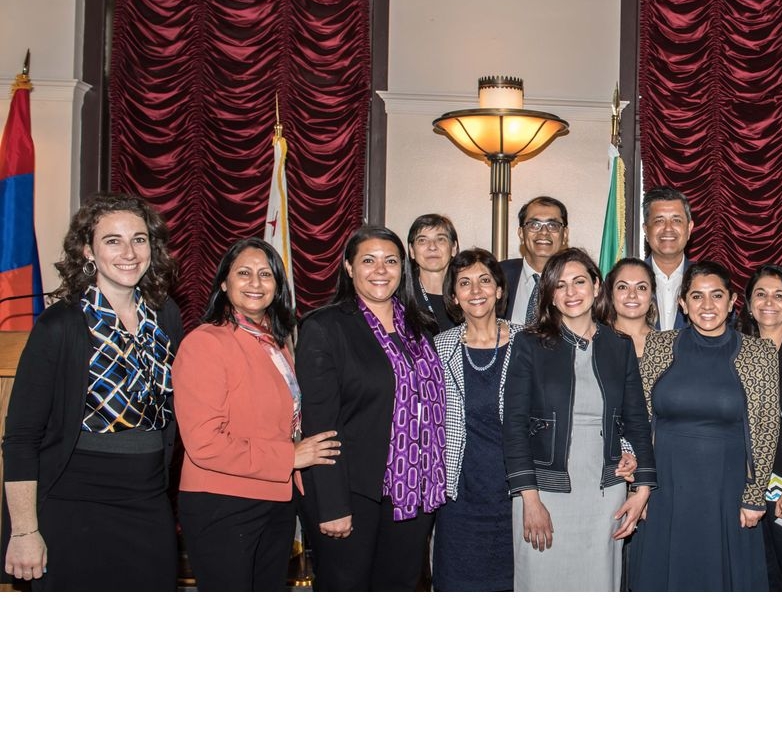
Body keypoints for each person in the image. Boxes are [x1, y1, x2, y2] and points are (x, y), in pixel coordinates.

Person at [2, 192, 185, 591]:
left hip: (149, 503)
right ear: (87, 250)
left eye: (139, 239)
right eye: (112, 240)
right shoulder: (60, 325)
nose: (129, 252)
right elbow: (20, 439)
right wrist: (23, 532)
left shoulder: (166, 315)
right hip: (74, 506)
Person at [172, 238, 341, 591]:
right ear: (224, 283)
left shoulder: (275, 342)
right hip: (223, 505)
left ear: (278, 286)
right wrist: (291, 456)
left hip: (274, 500)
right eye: (244, 273)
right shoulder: (206, 342)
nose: (255, 283)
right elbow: (204, 443)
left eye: (266, 274)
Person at [295, 225, 448, 591]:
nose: (381, 269)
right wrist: (332, 505)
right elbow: (320, 424)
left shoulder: (420, 329)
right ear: (349, 267)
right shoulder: (326, 327)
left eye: (390, 261)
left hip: (414, 493)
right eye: (368, 260)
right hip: (353, 493)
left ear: (402, 269)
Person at [503, 247, 656, 591]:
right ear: (550, 296)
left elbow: (636, 421)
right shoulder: (529, 344)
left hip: (606, 489)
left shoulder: (619, 346)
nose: (571, 292)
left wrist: (643, 488)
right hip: (544, 490)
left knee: (598, 584)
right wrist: (529, 498)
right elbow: (513, 426)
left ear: (597, 286)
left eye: (579, 282)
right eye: (560, 285)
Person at [631, 261, 778, 591]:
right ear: (683, 304)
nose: (707, 305)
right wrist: (639, 488)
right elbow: (640, 419)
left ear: (732, 301)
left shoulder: (760, 352)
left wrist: (754, 498)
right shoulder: (659, 346)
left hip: (726, 491)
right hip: (664, 487)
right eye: (696, 296)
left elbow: (765, 428)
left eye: (716, 296)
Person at [431, 247, 521, 591]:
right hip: (459, 500)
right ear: (454, 296)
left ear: (499, 289)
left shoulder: (529, 341)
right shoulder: (439, 348)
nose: (476, 290)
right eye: (464, 283)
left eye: (485, 280)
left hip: (517, 497)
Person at [738, 264, 782, 592]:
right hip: (742, 485)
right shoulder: (734, 349)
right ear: (749, 304)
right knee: (752, 574)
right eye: (761, 294)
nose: (769, 302)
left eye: (779, 295)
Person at [500, 196, 569, 324]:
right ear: (521, 233)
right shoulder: (498, 274)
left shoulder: (578, 282)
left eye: (553, 225)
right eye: (534, 224)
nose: (543, 232)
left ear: (564, 234)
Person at [642, 186, 693, 331]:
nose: (668, 228)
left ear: (689, 229)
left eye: (676, 220)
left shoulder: (709, 281)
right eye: (659, 221)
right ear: (646, 230)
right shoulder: (626, 282)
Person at [596, 257, 658, 359]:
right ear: (611, 294)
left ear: (652, 295)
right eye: (622, 287)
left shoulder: (670, 345)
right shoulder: (595, 342)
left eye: (641, 287)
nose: (632, 295)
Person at [408, 213, 460, 332]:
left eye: (440, 239)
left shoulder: (469, 293)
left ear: (453, 248)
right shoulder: (401, 297)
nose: (432, 247)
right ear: (412, 251)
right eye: (422, 240)